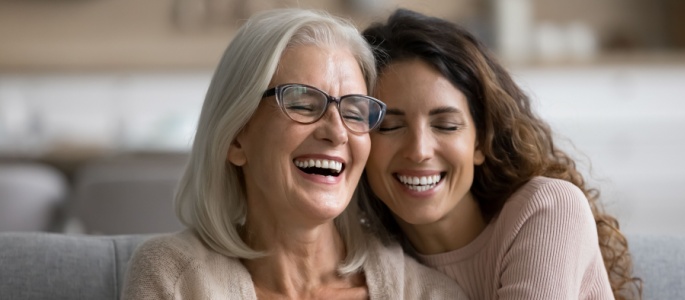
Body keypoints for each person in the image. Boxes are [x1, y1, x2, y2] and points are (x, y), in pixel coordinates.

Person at [122, 8, 467, 299]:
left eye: (354, 112)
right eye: (302, 104)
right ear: (236, 138)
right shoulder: (175, 279)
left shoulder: (427, 293)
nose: (337, 132)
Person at [359, 9, 642, 300]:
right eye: (390, 126)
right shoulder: (367, 260)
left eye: (446, 125)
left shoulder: (547, 209)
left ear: (481, 141)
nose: (419, 151)